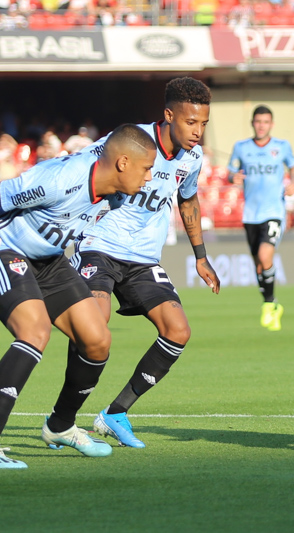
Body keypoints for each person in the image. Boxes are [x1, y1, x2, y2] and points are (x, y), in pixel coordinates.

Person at [0, 124, 157, 469]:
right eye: (146, 168)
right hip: (0, 245)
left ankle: (60, 426)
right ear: (123, 163)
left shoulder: (119, 191)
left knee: (97, 340)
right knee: (35, 331)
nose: (150, 177)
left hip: (47, 258)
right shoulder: (59, 179)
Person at [71, 77, 220, 449]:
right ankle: (64, 420)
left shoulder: (193, 157)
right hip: (99, 246)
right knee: (95, 324)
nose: (197, 132)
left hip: (142, 258)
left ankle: (115, 413)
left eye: (203, 124)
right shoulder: (128, 141)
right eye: (190, 122)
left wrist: (201, 257)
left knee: (178, 330)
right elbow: (78, 172)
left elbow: (188, 201)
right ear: (169, 115)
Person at [227, 105, 294, 331]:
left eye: (265, 122)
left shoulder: (282, 146)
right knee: (259, 265)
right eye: (258, 122)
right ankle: (272, 303)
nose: (261, 126)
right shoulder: (241, 147)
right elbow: (230, 171)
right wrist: (233, 177)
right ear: (252, 123)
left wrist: (293, 182)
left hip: (273, 212)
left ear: (271, 124)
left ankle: (269, 304)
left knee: (265, 255)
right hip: (251, 214)